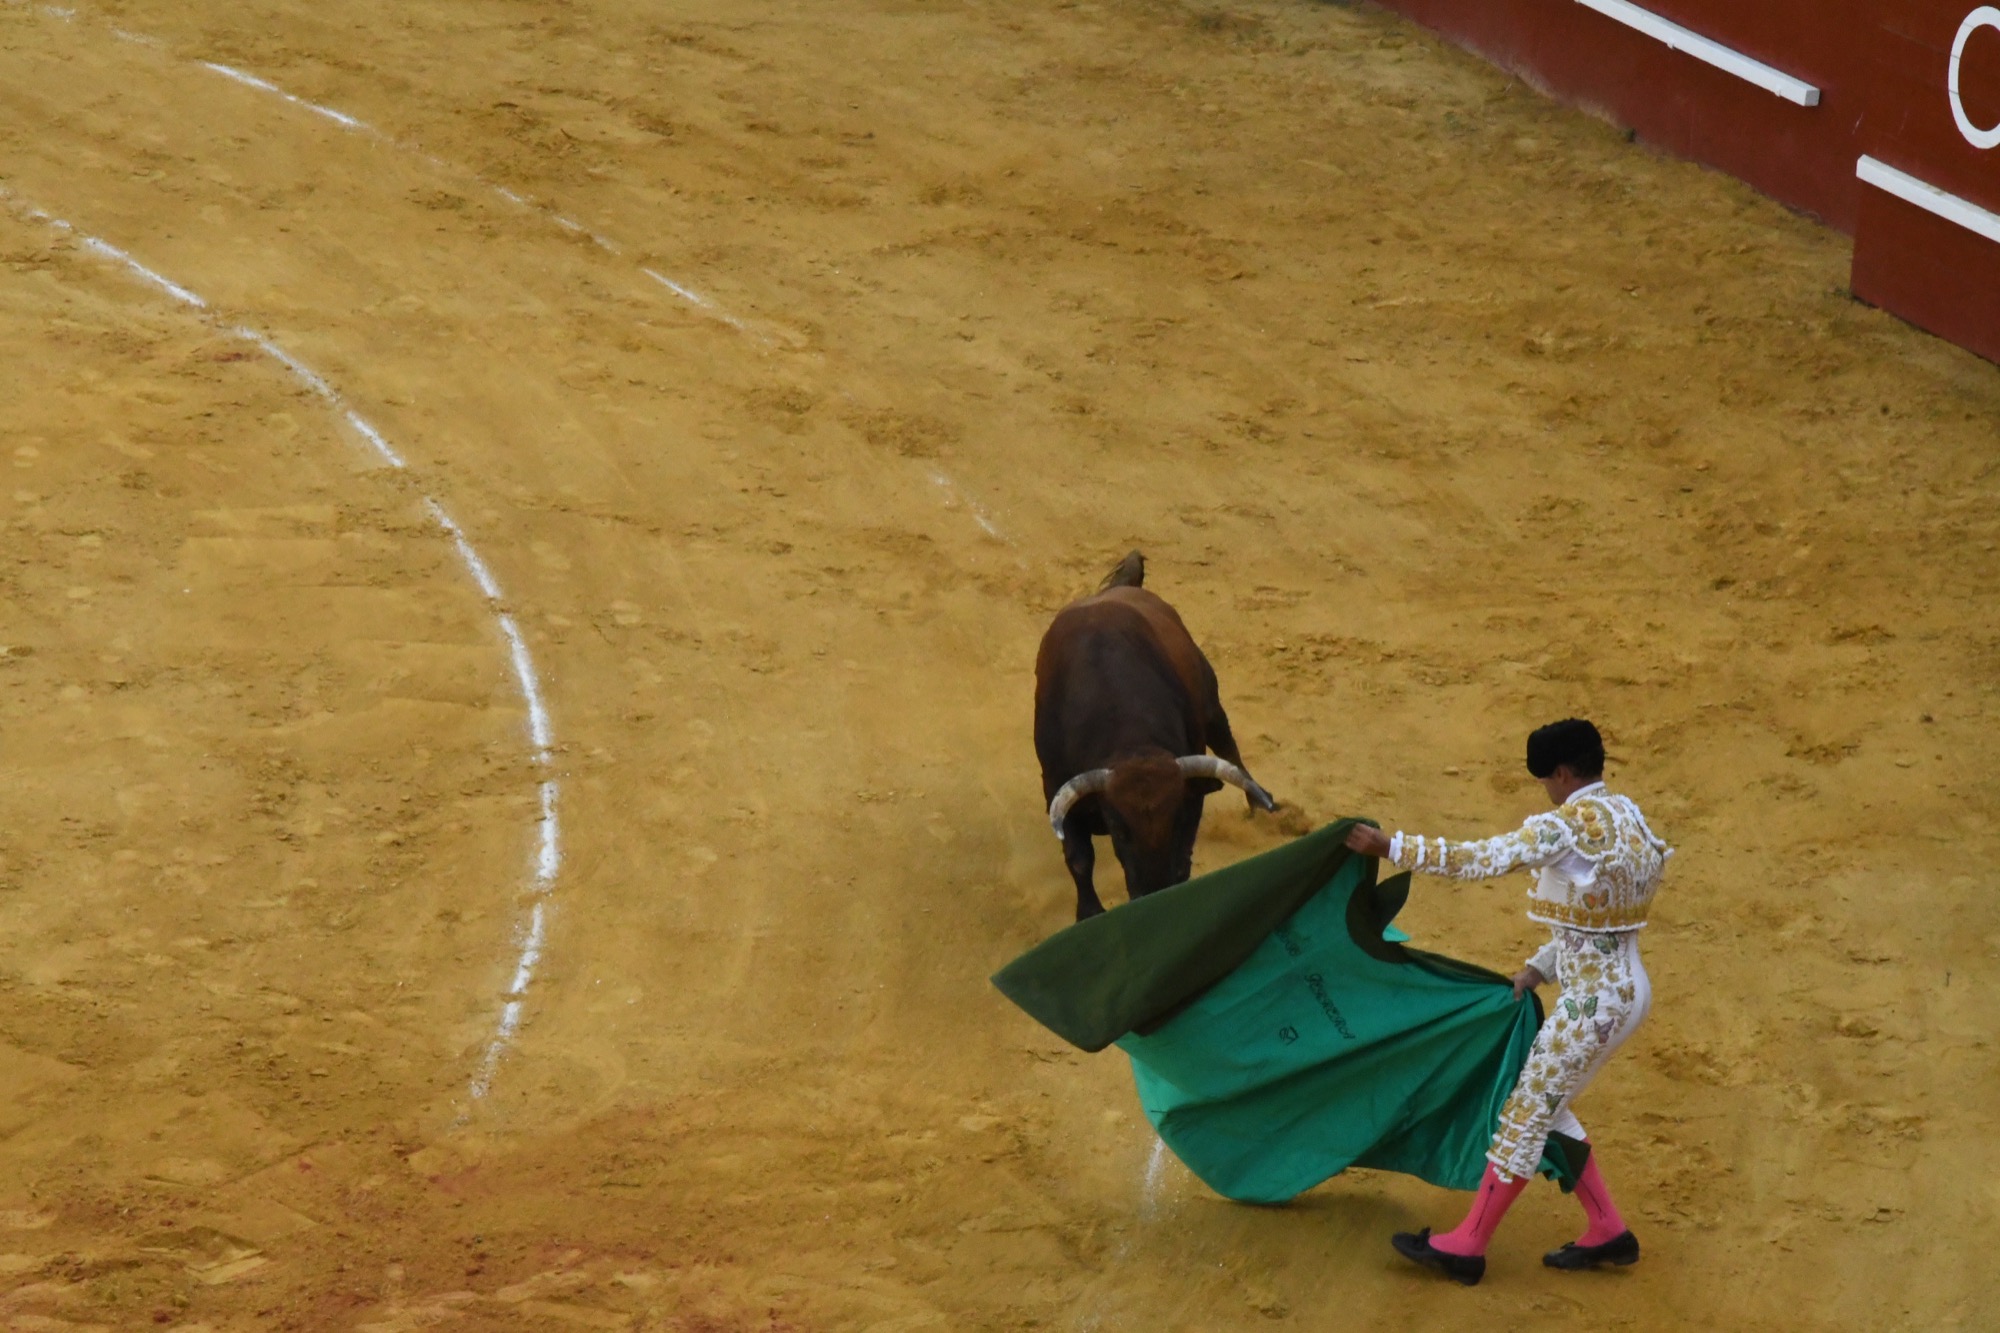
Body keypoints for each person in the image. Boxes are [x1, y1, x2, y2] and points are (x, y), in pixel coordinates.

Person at [1342, 718, 1670, 1285]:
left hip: (1592, 1006)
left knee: (1523, 1115)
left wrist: (1391, 846)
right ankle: (1608, 1229)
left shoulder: (1564, 827)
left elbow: (1480, 859)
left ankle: (1468, 1244)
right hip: (1627, 989)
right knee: (1549, 1107)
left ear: (1562, 773)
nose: (1545, 788)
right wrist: (1539, 968)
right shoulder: (1628, 816)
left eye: (1546, 778)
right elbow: (1601, 919)